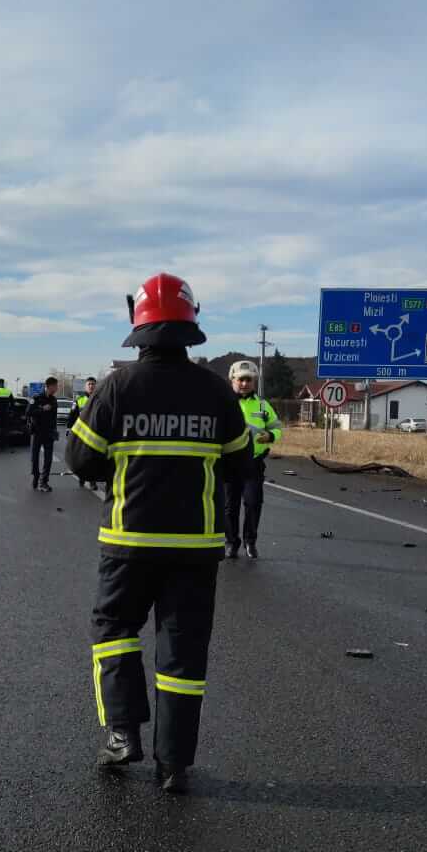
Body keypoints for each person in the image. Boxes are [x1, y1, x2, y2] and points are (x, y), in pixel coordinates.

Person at [65, 273, 250, 794]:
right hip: (196, 548)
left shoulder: (116, 387)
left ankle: (123, 735)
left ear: (137, 326)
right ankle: (175, 764)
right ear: (191, 324)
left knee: (115, 631)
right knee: (183, 652)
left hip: (129, 543)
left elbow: (79, 458)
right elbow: (240, 463)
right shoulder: (217, 391)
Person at [223, 360, 283, 560]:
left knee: (253, 503)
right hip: (229, 463)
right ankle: (231, 543)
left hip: (253, 463)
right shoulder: (224, 403)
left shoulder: (262, 405)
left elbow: (277, 427)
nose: (244, 383)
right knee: (230, 506)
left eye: (248, 379)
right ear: (232, 380)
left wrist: (271, 436)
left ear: (254, 381)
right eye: (240, 379)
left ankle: (250, 542)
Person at [65, 377, 98, 490]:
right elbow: (72, 416)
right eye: (89, 384)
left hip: (95, 434)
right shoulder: (79, 400)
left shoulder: (99, 399)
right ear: (85, 386)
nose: (91, 386)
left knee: (94, 458)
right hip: (82, 434)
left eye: (93, 384)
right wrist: (69, 429)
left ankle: (93, 481)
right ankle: (82, 477)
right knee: (82, 457)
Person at [28, 377, 59, 491]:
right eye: (55, 386)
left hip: (49, 433)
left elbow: (54, 417)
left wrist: (55, 431)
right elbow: (29, 412)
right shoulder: (36, 398)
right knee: (35, 457)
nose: (57, 388)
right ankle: (36, 476)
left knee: (48, 459)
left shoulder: (54, 400)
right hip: (37, 432)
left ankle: (44, 481)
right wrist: (42, 409)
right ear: (49, 386)